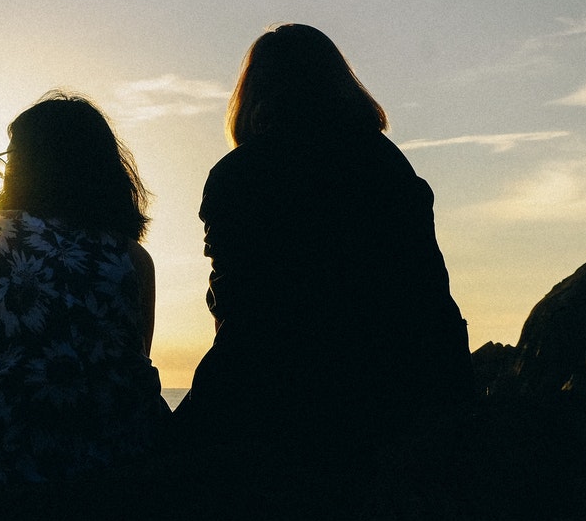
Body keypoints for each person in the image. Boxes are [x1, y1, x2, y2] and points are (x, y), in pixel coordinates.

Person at [176, 23, 474, 458]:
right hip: (406, 385)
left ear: (254, 92)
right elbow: (427, 287)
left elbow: (236, 308)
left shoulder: (236, 175)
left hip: (280, 391)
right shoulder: (388, 163)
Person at [0, 92, 169, 519]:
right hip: (117, 470)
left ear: (24, 165)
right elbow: (126, 367)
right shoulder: (134, 260)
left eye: (10, 158)